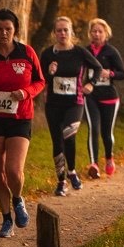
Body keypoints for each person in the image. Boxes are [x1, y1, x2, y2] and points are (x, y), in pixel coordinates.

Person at [0, 9, 44, 238]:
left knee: (13, 171)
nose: (4, 33)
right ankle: (6, 220)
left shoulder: (27, 53)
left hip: (20, 118)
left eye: (8, 29)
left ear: (15, 30)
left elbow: (40, 81)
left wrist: (26, 92)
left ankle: (17, 199)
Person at [39, 17, 101, 197]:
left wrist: (91, 84)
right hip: (53, 103)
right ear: (54, 33)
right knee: (57, 140)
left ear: (71, 32)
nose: (62, 34)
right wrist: (49, 73)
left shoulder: (79, 52)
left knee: (69, 133)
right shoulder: (48, 54)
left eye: (66, 30)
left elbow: (97, 68)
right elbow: (39, 78)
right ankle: (61, 181)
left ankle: (72, 171)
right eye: (59, 30)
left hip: (75, 102)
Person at [84, 17, 124, 178]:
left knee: (106, 132)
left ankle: (109, 157)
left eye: (100, 31)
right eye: (94, 31)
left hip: (109, 97)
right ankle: (94, 163)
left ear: (106, 34)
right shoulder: (85, 51)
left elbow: (123, 73)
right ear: (90, 33)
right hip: (91, 95)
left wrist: (111, 73)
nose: (96, 34)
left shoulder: (111, 52)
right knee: (93, 128)